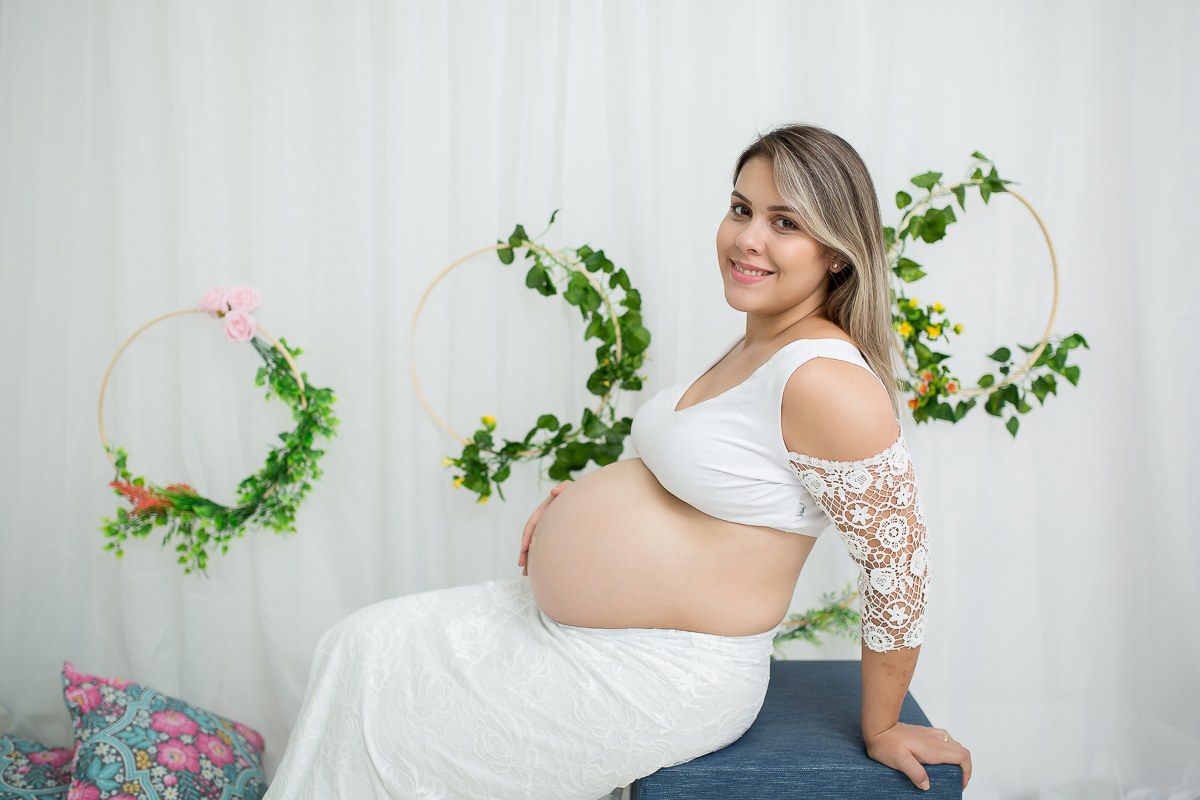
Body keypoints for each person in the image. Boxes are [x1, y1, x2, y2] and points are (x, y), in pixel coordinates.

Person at [264, 124, 972, 800]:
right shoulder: (758, 341)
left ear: (838, 253)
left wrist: (881, 726)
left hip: (669, 670)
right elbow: (714, 481)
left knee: (387, 716)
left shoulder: (827, 381)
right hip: (603, 635)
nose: (748, 238)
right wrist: (583, 503)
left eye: (785, 222)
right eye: (740, 209)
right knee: (358, 647)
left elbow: (898, 567)